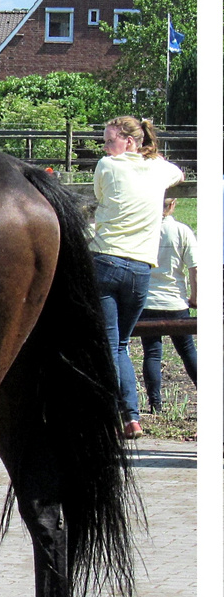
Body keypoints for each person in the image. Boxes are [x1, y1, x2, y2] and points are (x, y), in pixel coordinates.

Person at [88, 115, 183, 439]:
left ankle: (109, 414)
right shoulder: (158, 168)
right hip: (142, 268)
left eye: (109, 139)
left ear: (128, 141)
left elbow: (100, 197)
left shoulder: (107, 166)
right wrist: (150, 153)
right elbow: (178, 173)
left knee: (109, 345)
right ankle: (132, 417)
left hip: (107, 260)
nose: (105, 145)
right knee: (122, 346)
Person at [138, 196, 197, 414]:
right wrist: (195, 297)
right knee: (187, 350)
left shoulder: (142, 230)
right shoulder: (182, 231)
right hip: (175, 301)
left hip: (147, 301)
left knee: (152, 353)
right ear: (172, 205)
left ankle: (155, 404)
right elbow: (194, 267)